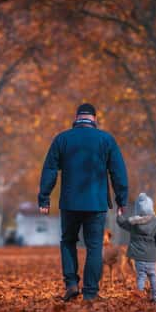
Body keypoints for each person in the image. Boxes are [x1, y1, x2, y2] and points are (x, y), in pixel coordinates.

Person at [38, 103, 128, 301]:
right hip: (96, 204)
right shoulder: (106, 140)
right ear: (94, 119)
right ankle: (90, 292)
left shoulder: (62, 139)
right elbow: (118, 172)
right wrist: (122, 199)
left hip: (70, 202)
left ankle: (71, 284)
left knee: (68, 241)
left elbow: (50, 169)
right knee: (95, 246)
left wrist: (44, 198)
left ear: (76, 117)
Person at [117, 192, 156, 303]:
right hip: (151, 257)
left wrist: (119, 215)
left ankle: (139, 296)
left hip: (139, 258)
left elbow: (122, 223)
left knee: (141, 277)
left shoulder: (133, 223)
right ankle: (155, 297)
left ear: (137, 209)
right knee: (153, 276)